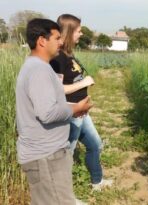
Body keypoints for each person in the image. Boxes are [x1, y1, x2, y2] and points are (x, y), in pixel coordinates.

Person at [16, 18, 92, 205]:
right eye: (57, 38)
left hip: (45, 155)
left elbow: (46, 107)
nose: (60, 42)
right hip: (46, 158)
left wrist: (71, 111)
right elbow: (47, 113)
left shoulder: (36, 66)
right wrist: (76, 108)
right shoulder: (39, 70)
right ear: (42, 40)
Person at [50, 14, 113, 191]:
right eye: (78, 30)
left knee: (95, 145)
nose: (81, 33)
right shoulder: (57, 58)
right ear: (69, 32)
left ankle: (97, 182)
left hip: (82, 112)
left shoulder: (68, 54)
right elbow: (57, 89)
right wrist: (83, 83)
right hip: (70, 113)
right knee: (66, 156)